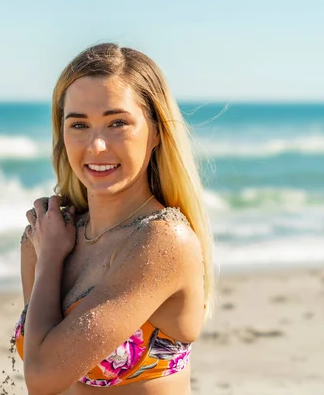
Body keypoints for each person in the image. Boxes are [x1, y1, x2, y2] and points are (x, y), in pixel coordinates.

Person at [13, 43, 214, 395]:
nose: (97, 146)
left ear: (155, 132)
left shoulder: (163, 241)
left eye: (117, 122)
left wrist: (49, 260)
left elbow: (42, 376)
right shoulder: (49, 237)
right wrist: (49, 254)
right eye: (79, 124)